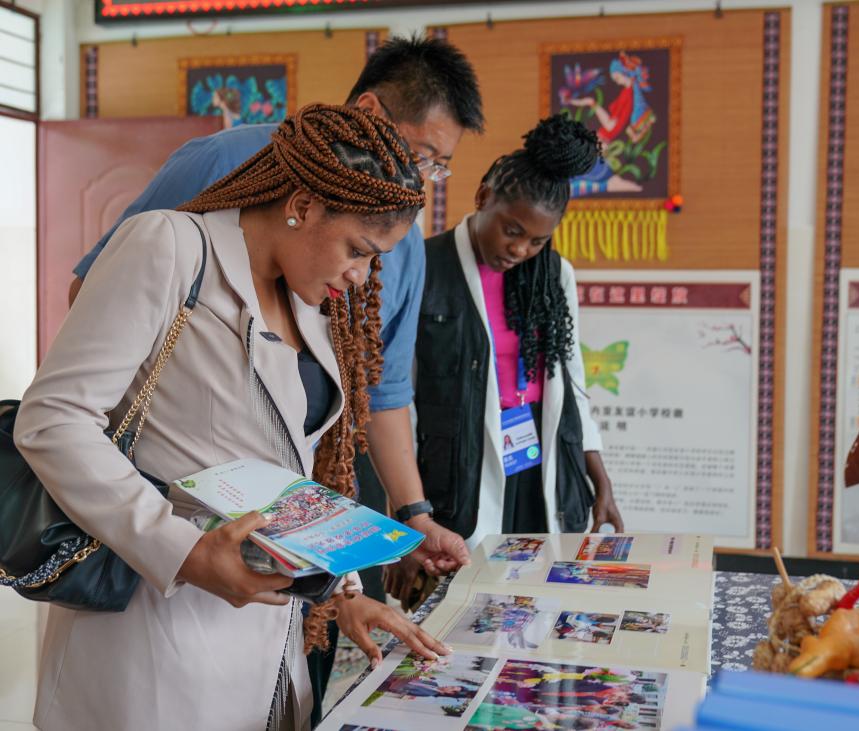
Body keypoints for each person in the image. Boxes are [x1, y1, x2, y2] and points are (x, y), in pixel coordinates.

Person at [66, 34, 483, 721]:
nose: (363, 277)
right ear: (305, 206)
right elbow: (63, 411)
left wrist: (346, 588)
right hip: (159, 613)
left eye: (437, 168)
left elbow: (295, 457)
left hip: (264, 624)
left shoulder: (312, 289)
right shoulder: (180, 230)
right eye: (359, 251)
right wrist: (181, 550)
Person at [386, 115, 624, 607]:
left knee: (538, 604)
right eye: (511, 230)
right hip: (456, 466)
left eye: (537, 241)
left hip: (540, 466)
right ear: (482, 197)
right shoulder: (426, 266)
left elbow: (573, 384)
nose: (519, 249)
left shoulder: (554, 275)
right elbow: (396, 399)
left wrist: (600, 480)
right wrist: (403, 522)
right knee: (456, 606)